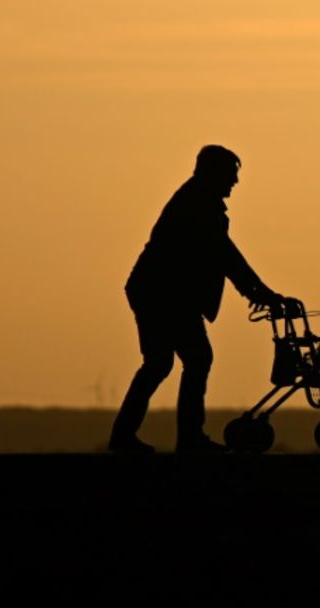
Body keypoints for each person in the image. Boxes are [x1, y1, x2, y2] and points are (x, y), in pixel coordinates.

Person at [109, 145, 289, 454]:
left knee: (159, 363)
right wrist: (262, 294)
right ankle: (188, 438)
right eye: (231, 175)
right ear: (214, 173)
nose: (235, 182)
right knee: (194, 358)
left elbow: (223, 255)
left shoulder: (199, 201)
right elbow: (225, 256)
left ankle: (127, 436)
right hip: (165, 294)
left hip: (156, 291)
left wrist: (260, 293)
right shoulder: (199, 205)